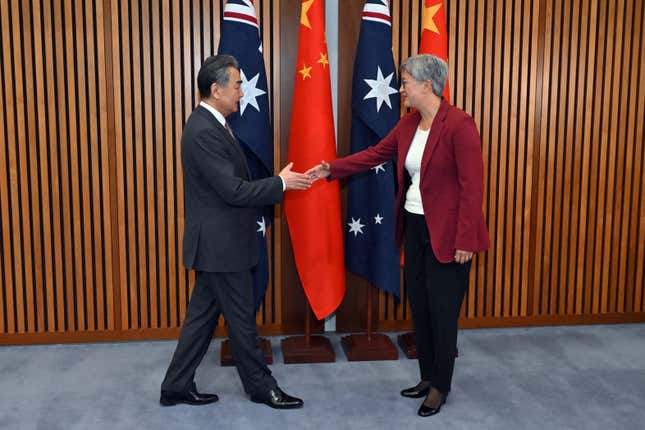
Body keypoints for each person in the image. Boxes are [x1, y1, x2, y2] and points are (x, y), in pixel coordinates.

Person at [307, 54, 489, 417]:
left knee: (443, 310)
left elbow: (473, 188)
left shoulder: (459, 124)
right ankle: (426, 377)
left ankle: (440, 386)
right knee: (419, 306)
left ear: (426, 85)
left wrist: (466, 240)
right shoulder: (408, 125)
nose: (401, 88)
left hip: (450, 234)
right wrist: (332, 168)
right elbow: (375, 154)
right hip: (415, 226)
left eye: (405, 81)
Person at [160, 55, 310, 409]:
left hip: (218, 244)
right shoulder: (202, 131)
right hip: (221, 246)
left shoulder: (212, 125)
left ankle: (176, 386)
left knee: (201, 320)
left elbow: (230, 186)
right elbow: (233, 191)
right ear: (216, 89)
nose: (242, 92)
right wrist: (280, 183)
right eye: (238, 84)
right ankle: (261, 387)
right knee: (242, 321)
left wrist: (278, 182)